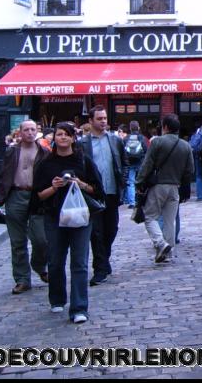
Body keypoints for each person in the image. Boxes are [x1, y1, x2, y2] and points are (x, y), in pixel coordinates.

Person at [32, 121, 104, 324]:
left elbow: (97, 191)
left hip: (80, 216)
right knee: (55, 260)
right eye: (59, 134)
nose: (62, 137)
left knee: (79, 263)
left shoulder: (84, 161)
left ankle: (79, 307)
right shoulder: (46, 163)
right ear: (53, 138)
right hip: (54, 216)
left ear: (73, 138)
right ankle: (57, 298)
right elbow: (39, 195)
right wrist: (54, 187)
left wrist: (80, 184)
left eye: (66, 134)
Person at [0, 119, 50, 294]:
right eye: (27, 130)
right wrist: (1, 196)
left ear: (37, 132)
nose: (30, 133)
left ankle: (39, 265)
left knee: (41, 239)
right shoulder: (12, 151)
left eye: (33, 129)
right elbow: (3, 173)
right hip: (16, 196)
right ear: (20, 132)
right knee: (18, 242)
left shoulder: (44, 152)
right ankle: (22, 279)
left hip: (36, 196)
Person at [136, 114, 194, 264]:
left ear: (165, 127)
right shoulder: (185, 145)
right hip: (175, 186)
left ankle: (160, 244)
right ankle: (167, 253)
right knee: (170, 221)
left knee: (150, 217)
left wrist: (140, 181)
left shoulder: (158, 142)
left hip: (158, 185)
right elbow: (190, 170)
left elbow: (147, 164)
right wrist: (184, 186)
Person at [79, 106, 127, 286]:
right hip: (93, 193)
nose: (103, 122)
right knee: (96, 232)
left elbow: (124, 162)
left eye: (105, 118)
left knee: (111, 229)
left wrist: (123, 181)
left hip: (112, 191)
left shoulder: (115, 140)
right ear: (90, 121)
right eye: (99, 119)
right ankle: (99, 268)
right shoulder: (82, 143)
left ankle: (104, 260)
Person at [122, 121, 148, 209]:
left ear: (130, 128)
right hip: (140, 162)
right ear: (138, 128)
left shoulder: (126, 138)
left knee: (131, 182)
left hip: (129, 163)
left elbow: (122, 151)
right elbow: (146, 150)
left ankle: (132, 202)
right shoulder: (142, 138)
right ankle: (142, 200)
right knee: (141, 181)